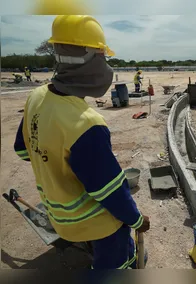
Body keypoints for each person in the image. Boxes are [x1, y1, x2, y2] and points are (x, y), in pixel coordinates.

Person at [13, 15, 150, 269]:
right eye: (102, 57)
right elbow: (109, 191)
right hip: (91, 223)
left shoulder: (35, 97)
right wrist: (136, 219)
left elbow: (22, 149)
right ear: (89, 58)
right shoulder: (86, 124)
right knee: (118, 249)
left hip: (58, 217)